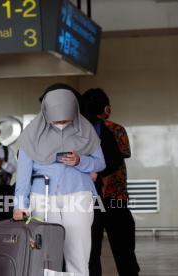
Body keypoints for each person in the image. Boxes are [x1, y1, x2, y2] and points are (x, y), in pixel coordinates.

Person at [13, 85, 106, 276]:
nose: (62, 123)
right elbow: (23, 174)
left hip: (79, 195)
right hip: (43, 196)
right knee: (45, 255)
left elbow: (100, 163)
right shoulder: (31, 133)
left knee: (78, 254)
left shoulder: (86, 129)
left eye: (66, 119)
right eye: (57, 120)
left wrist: (80, 161)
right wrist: (20, 205)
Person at [83, 88, 140, 276]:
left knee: (91, 252)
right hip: (116, 198)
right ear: (106, 108)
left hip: (88, 201)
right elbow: (124, 153)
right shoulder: (115, 129)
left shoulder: (79, 131)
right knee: (124, 250)